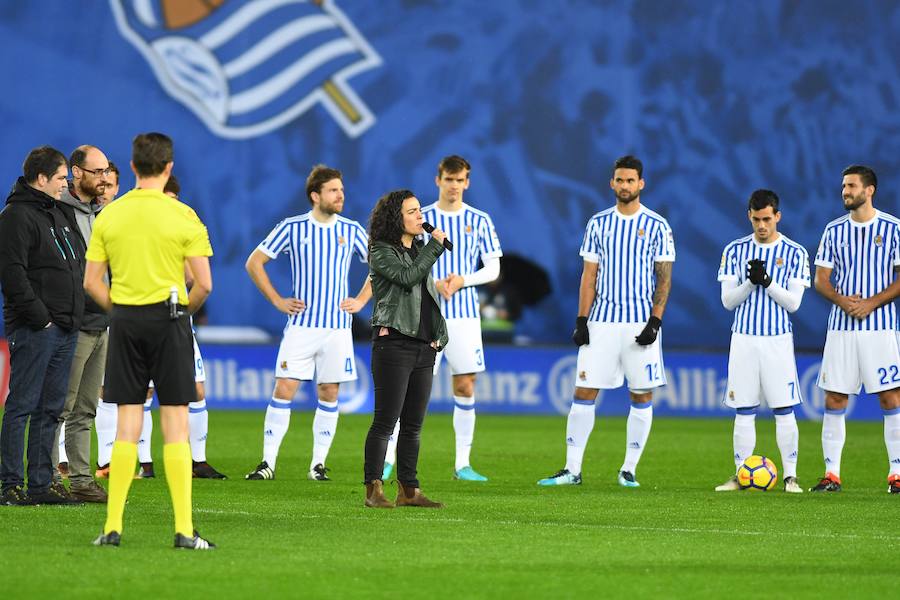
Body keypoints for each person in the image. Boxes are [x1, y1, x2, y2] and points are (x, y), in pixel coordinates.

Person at [87, 132, 215, 549]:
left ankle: (112, 528)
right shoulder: (184, 216)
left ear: (134, 165)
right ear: (169, 167)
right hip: (169, 319)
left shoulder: (110, 214)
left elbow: (91, 282)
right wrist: (180, 316)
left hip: (125, 319)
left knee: (128, 424)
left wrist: (120, 312)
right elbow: (204, 285)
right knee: (175, 424)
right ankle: (182, 530)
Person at [538, 155, 674, 488]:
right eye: (620, 180)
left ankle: (629, 469)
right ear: (612, 183)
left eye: (631, 180)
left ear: (641, 184)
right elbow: (589, 276)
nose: (625, 185)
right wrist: (582, 319)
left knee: (641, 395)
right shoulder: (598, 223)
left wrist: (655, 322)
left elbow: (664, 278)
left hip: (640, 323)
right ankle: (572, 470)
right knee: (583, 392)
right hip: (602, 322)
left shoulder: (658, 225)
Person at [244, 165, 370, 481]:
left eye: (341, 189)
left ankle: (317, 465)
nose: (340, 195)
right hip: (302, 326)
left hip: (338, 329)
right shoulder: (293, 227)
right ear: (316, 195)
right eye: (333, 190)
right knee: (284, 388)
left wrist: (361, 300)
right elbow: (254, 262)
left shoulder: (352, 229)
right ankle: (267, 463)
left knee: (329, 392)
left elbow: (380, 266)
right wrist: (277, 300)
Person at [383, 155, 502, 482]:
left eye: (459, 179)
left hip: (463, 318)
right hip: (423, 316)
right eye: (448, 179)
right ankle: (388, 459)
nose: (454, 185)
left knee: (464, 385)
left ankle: (462, 464)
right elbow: (401, 260)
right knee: (407, 388)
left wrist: (463, 279)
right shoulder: (421, 219)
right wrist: (430, 281)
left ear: (467, 182)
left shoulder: (479, 220)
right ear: (438, 180)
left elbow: (493, 268)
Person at [120, 174, 226, 480]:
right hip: (145, 317)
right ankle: (146, 464)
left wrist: (184, 312)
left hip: (175, 321)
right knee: (144, 392)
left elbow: (195, 279)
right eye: (169, 200)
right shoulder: (137, 229)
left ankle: (198, 461)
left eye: (176, 201)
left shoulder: (185, 225)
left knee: (195, 389)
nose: (173, 207)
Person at [0, 146, 85, 506]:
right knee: (21, 405)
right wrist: (42, 318)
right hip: (37, 328)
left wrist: (69, 318)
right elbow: (12, 274)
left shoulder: (58, 213)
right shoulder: (16, 217)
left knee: (50, 408)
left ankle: (40, 483)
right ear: (41, 179)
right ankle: (8, 483)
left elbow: (79, 263)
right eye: (61, 178)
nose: (65, 185)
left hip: (65, 327)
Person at [811, 165, 900, 494]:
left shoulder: (893, 229)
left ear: (870, 189)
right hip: (842, 328)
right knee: (835, 397)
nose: (845, 191)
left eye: (851, 186)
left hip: (881, 327)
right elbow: (820, 279)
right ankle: (831, 474)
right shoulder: (834, 231)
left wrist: (871, 303)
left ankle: (897, 474)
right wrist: (843, 300)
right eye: (844, 186)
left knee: (891, 396)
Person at [714, 190, 809, 494]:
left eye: (767, 219)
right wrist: (749, 282)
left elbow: (793, 303)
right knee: (743, 409)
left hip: (777, 340)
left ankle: (790, 476)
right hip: (743, 339)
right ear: (749, 216)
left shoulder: (795, 252)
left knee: (783, 408)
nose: (762, 225)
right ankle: (742, 475)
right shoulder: (734, 250)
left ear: (777, 216)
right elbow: (728, 301)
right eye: (756, 219)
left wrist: (767, 282)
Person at [362, 189, 448, 508]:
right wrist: (436, 247)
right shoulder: (381, 251)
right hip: (394, 343)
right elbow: (407, 278)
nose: (420, 217)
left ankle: (408, 490)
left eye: (419, 211)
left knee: (413, 425)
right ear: (395, 218)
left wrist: (440, 333)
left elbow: (427, 298)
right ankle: (374, 488)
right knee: (386, 422)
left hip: (424, 345)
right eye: (412, 212)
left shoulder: (419, 249)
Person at [51, 145, 113, 503]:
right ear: (77, 173)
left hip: (101, 322)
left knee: (86, 408)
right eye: (98, 171)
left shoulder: (103, 213)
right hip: (72, 323)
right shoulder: (59, 213)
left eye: (106, 172)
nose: (105, 178)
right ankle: (47, 477)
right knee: (59, 406)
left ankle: (80, 479)